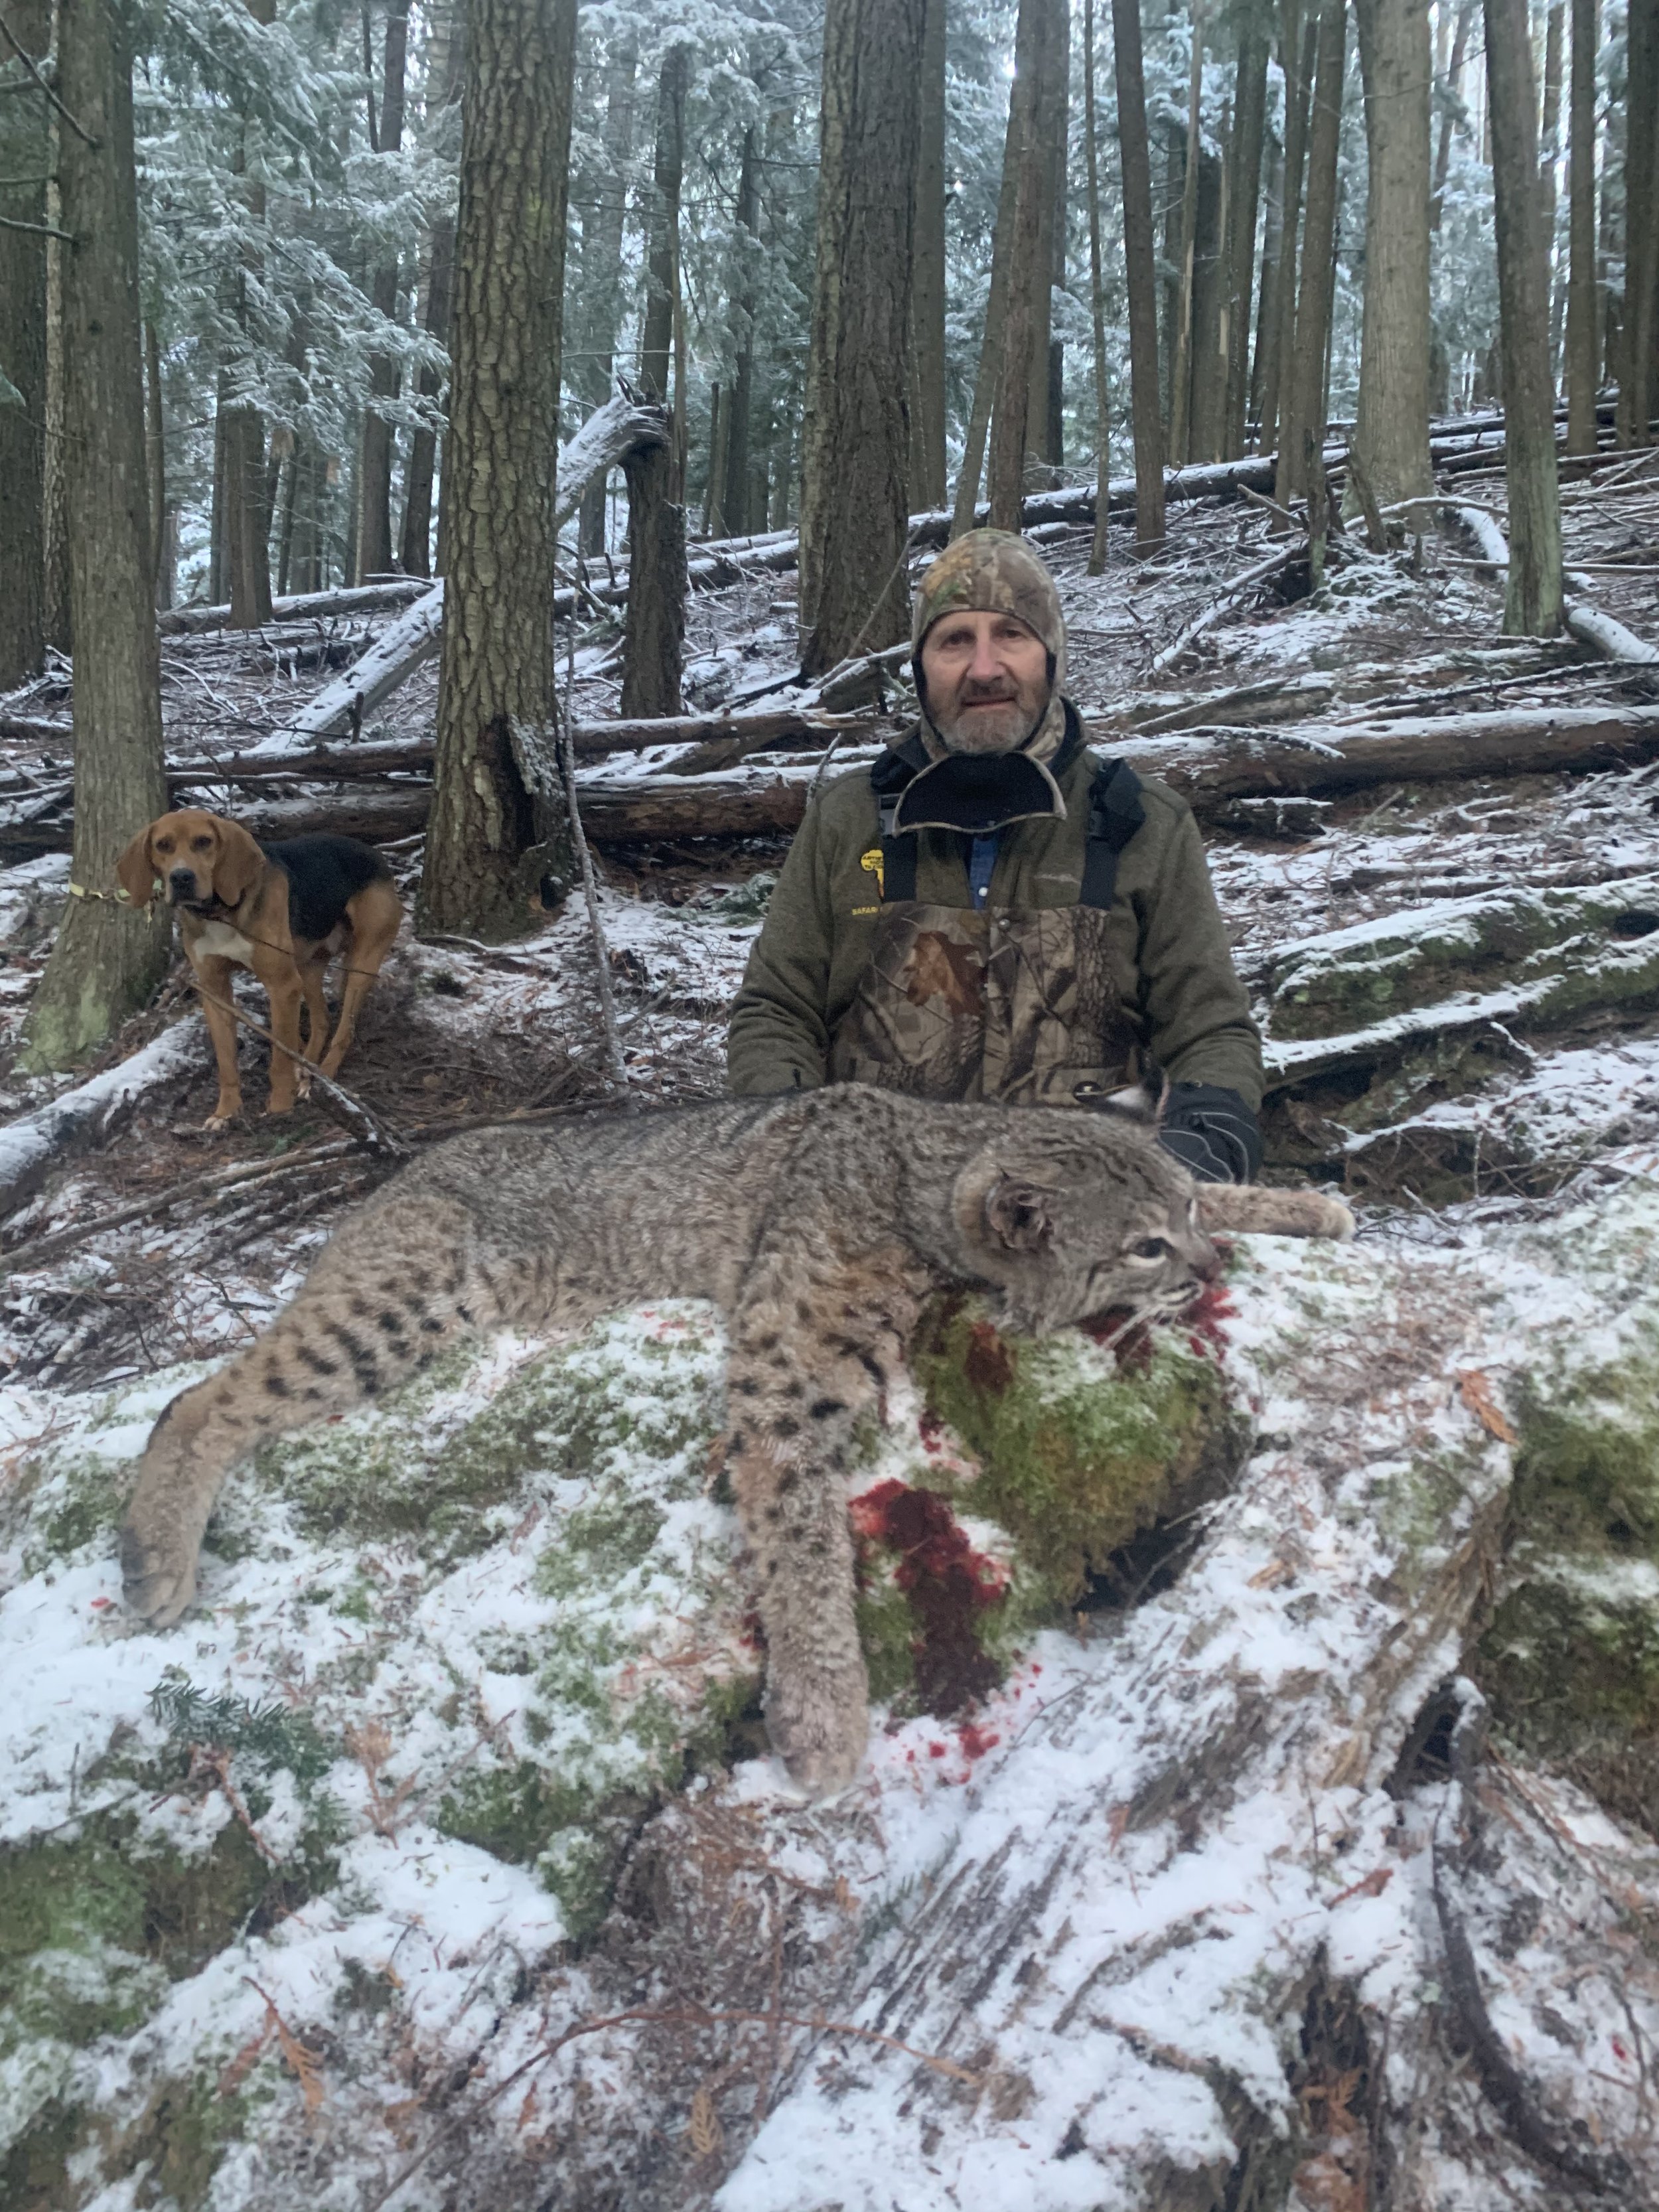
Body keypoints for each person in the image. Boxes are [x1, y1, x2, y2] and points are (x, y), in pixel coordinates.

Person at [725, 528, 1265, 1183]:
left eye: (1010, 635)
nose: (984, 669)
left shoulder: (1140, 823)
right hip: (875, 1207)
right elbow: (776, 1011)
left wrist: (1200, 1149)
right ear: (922, 667)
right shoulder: (849, 820)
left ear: (1050, 656)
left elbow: (1210, 1031)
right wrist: (793, 1144)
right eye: (955, 641)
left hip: (1085, 1219)